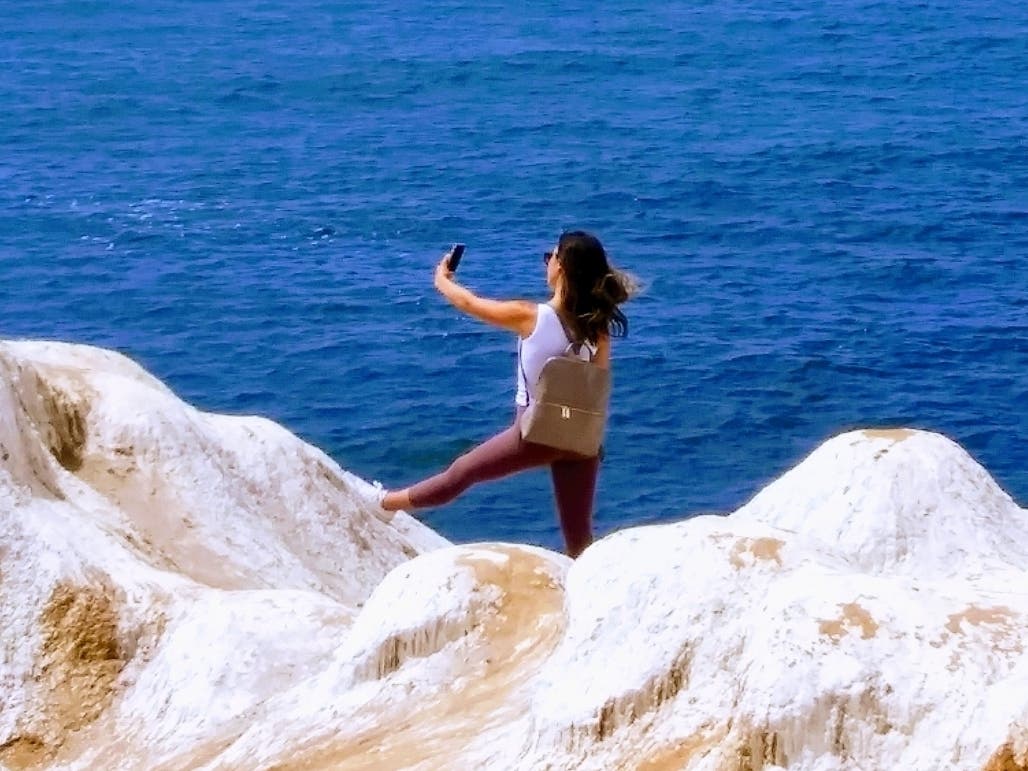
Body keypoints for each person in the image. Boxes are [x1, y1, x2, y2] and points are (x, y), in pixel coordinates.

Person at [376, 230, 634, 558]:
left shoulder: (531, 316)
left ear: (563, 268)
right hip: (580, 442)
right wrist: (592, 441)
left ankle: (383, 504)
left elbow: (470, 303)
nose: (546, 262)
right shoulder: (597, 327)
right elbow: (596, 389)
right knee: (579, 540)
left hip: (535, 434)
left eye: (550, 256)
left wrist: (441, 279)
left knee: (462, 472)